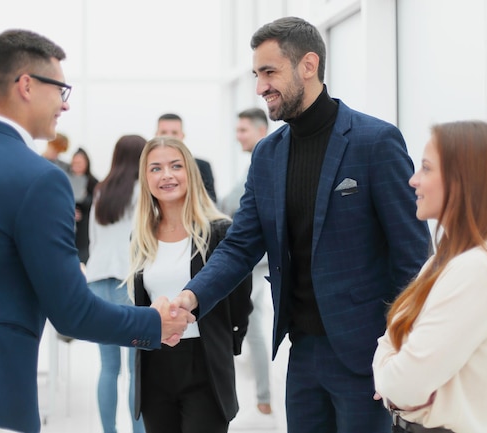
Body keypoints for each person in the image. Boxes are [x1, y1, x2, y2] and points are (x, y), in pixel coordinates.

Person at [0, 29, 193, 433]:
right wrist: (153, 324)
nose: (65, 103)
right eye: (60, 88)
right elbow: (71, 312)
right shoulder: (40, 179)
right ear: (26, 85)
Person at [172, 16, 431, 433]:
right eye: (257, 74)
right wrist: (191, 297)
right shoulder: (268, 154)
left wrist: (405, 350)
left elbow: (413, 257)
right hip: (302, 352)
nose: (260, 87)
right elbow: (241, 246)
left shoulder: (374, 142)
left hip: (369, 355)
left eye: (269, 72)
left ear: (308, 65)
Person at [373, 121, 487, 433]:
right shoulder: (442, 263)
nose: (413, 180)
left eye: (426, 169)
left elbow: (404, 383)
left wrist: (390, 375)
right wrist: (393, 369)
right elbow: (392, 346)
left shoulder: (478, 268)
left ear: (463, 180)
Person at [127, 136, 253, 433]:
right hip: (155, 366)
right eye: (155, 168)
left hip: (205, 366)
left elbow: (240, 300)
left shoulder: (219, 232)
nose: (167, 175)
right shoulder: (141, 238)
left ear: (191, 173)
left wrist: (229, 343)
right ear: (145, 179)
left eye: (175, 166)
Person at [86, 135, 147, 433]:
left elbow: (93, 241)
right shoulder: (142, 192)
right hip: (129, 282)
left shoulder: (100, 191)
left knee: (108, 368)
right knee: (136, 369)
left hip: (97, 282)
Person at [220, 107, 273, 415]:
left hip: (256, 262)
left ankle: (261, 397)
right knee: (251, 327)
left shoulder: (263, 166)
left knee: (242, 323)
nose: (238, 136)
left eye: (243, 130)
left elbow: (236, 204)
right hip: (249, 261)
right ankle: (263, 397)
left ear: (260, 131)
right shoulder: (253, 166)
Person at [155, 113, 218, 203]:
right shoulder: (146, 166)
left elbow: (211, 202)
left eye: (174, 133)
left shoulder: (201, 166)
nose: (169, 137)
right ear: (156, 135)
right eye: (164, 132)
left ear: (182, 135)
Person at [69, 147, 98, 263]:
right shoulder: (66, 179)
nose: (77, 166)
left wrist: (85, 198)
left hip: (85, 230)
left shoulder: (93, 182)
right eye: (75, 163)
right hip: (68, 226)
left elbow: (96, 205)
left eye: (80, 163)